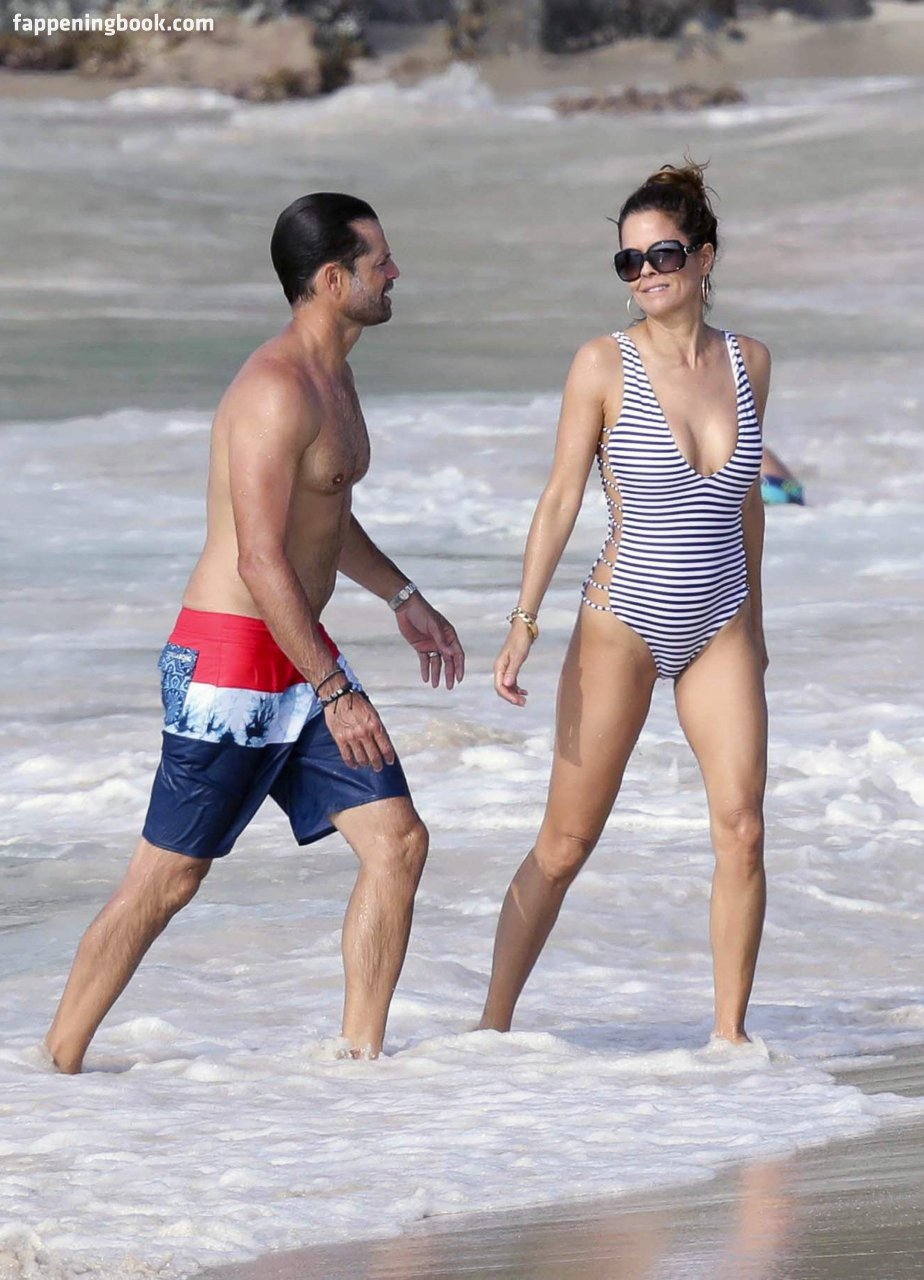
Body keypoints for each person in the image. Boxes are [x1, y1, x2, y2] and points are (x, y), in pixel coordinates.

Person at [45, 192, 464, 1073]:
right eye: (380, 260)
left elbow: (325, 512)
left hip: (298, 649)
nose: (396, 272)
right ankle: (53, 1067)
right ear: (333, 279)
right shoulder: (275, 389)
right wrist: (337, 689)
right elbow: (260, 557)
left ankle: (360, 1064)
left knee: (397, 842)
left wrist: (401, 595)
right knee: (168, 880)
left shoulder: (334, 376)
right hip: (233, 659)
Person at [479, 163, 770, 1047]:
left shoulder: (750, 363)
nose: (646, 272)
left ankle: (729, 1043)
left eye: (663, 254)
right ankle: (489, 1033)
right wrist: (524, 621)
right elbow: (561, 497)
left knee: (743, 830)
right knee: (565, 845)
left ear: (705, 257)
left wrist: (755, 624)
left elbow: (746, 504)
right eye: (629, 261)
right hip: (624, 622)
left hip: (719, 620)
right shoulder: (602, 364)